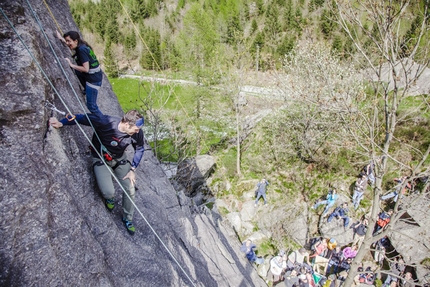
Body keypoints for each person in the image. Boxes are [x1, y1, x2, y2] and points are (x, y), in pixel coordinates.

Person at [49, 110, 145, 235]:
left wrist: (132, 169)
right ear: (127, 124)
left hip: (119, 159)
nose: (138, 131)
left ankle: (127, 218)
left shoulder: (137, 134)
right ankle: (109, 198)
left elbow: (140, 148)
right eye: (136, 129)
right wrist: (61, 123)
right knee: (108, 192)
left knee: (130, 188)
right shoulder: (105, 122)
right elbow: (81, 118)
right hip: (101, 158)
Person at [57, 30, 103, 116]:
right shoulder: (82, 45)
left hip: (93, 80)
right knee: (77, 71)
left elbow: (86, 69)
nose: (67, 43)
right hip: (96, 76)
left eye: (68, 41)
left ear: (76, 41)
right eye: (66, 41)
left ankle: (104, 123)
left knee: (91, 106)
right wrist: (60, 39)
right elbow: (71, 44)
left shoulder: (82, 50)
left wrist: (71, 65)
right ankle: (86, 89)